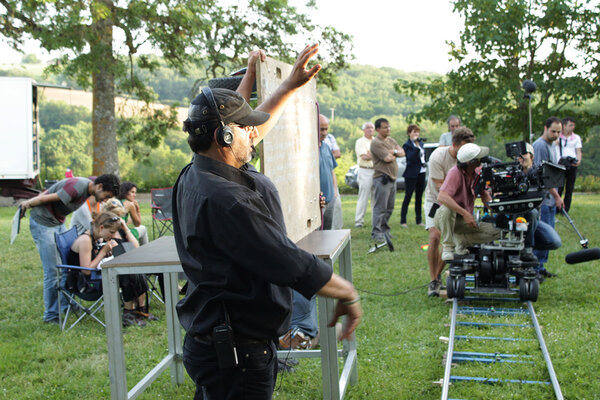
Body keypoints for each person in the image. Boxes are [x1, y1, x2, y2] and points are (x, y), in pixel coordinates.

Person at [174, 44, 362, 400]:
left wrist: (287, 85)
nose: (254, 134)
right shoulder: (230, 201)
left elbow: (238, 124)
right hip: (237, 355)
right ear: (225, 137)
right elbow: (290, 263)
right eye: (245, 128)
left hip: (216, 344)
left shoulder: (199, 170)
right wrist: (348, 292)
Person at [20, 174, 120, 324]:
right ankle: (52, 315)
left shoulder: (87, 189)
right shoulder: (77, 187)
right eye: (106, 196)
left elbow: (46, 193)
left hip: (57, 221)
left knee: (64, 269)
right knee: (53, 271)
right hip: (43, 221)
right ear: (99, 187)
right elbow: (43, 198)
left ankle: (67, 305)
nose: (105, 200)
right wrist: (25, 204)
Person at [68, 211, 152, 326]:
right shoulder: (85, 240)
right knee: (125, 274)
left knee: (134, 269)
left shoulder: (97, 237)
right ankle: (128, 313)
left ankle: (139, 310)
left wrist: (105, 253)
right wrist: (102, 253)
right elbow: (86, 270)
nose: (113, 236)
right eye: (111, 232)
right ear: (101, 227)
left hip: (95, 275)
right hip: (84, 284)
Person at [424, 128, 475, 296]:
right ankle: (433, 280)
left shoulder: (470, 158)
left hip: (458, 203)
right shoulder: (438, 157)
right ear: (454, 145)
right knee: (435, 236)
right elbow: (441, 191)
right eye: (463, 149)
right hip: (436, 200)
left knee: (451, 240)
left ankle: (438, 275)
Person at [434, 143, 500, 262]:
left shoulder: (477, 172)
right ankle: (448, 247)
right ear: (471, 162)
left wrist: (498, 209)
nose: (482, 159)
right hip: (447, 218)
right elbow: (442, 196)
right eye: (479, 157)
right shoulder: (455, 173)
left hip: (464, 220)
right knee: (446, 208)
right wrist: (465, 213)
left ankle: (461, 241)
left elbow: (484, 195)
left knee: (499, 230)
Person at [518, 143, 562, 275]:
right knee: (531, 213)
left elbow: (549, 185)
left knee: (553, 241)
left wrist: (557, 198)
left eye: (523, 155)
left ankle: (530, 256)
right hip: (516, 219)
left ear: (531, 156)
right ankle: (526, 250)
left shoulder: (538, 174)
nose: (521, 158)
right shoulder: (512, 174)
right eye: (518, 156)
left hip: (534, 222)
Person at [532, 117, 565, 277]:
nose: (556, 134)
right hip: (544, 199)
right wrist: (557, 196)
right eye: (553, 131)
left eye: (559, 131)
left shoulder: (554, 144)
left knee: (550, 232)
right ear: (545, 128)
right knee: (543, 234)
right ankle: (535, 267)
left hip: (551, 198)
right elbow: (543, 175)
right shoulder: (540, 145)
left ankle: (542, 266)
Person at [370, 118, 404, 248]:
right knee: (380, 207)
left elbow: (402, 152)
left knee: (389, 207)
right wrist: (394, 153)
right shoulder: (376, 143)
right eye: (385, 127)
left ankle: (385, 231)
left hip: (392, 178)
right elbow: (387, 158)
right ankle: (376, 233)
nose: (388, 129)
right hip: (382, 179)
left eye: (389, 127)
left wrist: (394, 151)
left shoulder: (391, 140)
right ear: (378, 129)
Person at [400, 124, 426, 227]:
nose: (416, 134)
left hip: (422, 171)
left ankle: (419, 220)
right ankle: (403, 220)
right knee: (408, 196)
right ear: (409, 133)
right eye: (414, 132)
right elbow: (410, 158)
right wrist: (416, 147)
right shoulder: (407, 145)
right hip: (411, 173)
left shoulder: (421, 144)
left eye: (417, 132)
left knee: (419, 197)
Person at [319, 114, 343, 230]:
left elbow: (331, 170)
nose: (324, 133)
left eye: (326, 129)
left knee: (329, 233)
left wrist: (334, 192)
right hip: (318, 203)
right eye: (321, 129)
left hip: (330, 198)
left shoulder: (326, 147)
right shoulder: (309, 150)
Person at [556, 117, 582, 213]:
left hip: (572, 165)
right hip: (561, 163)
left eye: (573, 125)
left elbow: (578, 151)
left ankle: (566, 210)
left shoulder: (576, 138)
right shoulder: (558, 137)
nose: (572, 127)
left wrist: (578, 160)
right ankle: (557, 208)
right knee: (559, 187)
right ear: (564, 126)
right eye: (570, 125)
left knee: (569, 188)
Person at [354, 122, 375, 228]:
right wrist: (375, 154)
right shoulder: (360, 142)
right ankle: (359, 221)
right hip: (365, 171)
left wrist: (371, 154)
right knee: (363, 196)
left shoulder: (376, 141)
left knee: (376, 197)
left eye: (372, 127)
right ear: (363, 130)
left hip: (376, 171)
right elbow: (364, 157)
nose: (370, 129)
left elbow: (381, 154)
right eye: (367, 128)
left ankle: (375, 221)